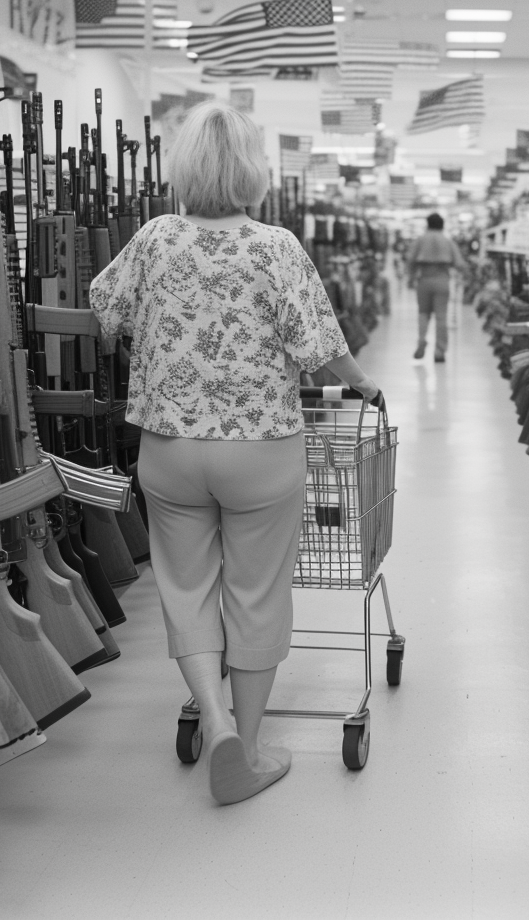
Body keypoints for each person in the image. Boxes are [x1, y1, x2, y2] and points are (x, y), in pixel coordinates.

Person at [89, 102, 382, 806]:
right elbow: (322, 346)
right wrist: (365, 386)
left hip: (169, 448)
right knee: (255, 593)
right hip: (259, 450)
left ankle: (212, 718)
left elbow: (108, 313)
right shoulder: (275, 246)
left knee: (186, 591)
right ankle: (245, 752)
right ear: (253, 171)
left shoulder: (155, 239)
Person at [409, 212, 466, 363]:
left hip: (424, 279)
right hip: (442, 279)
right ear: (442, 225)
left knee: (423, 314)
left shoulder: (420, 240)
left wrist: (410, 276)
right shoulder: (448, 242)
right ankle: (440, 351)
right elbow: (459, 264)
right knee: (441, 316)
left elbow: (410, 260)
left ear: (427, 224)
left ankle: (421, 341)